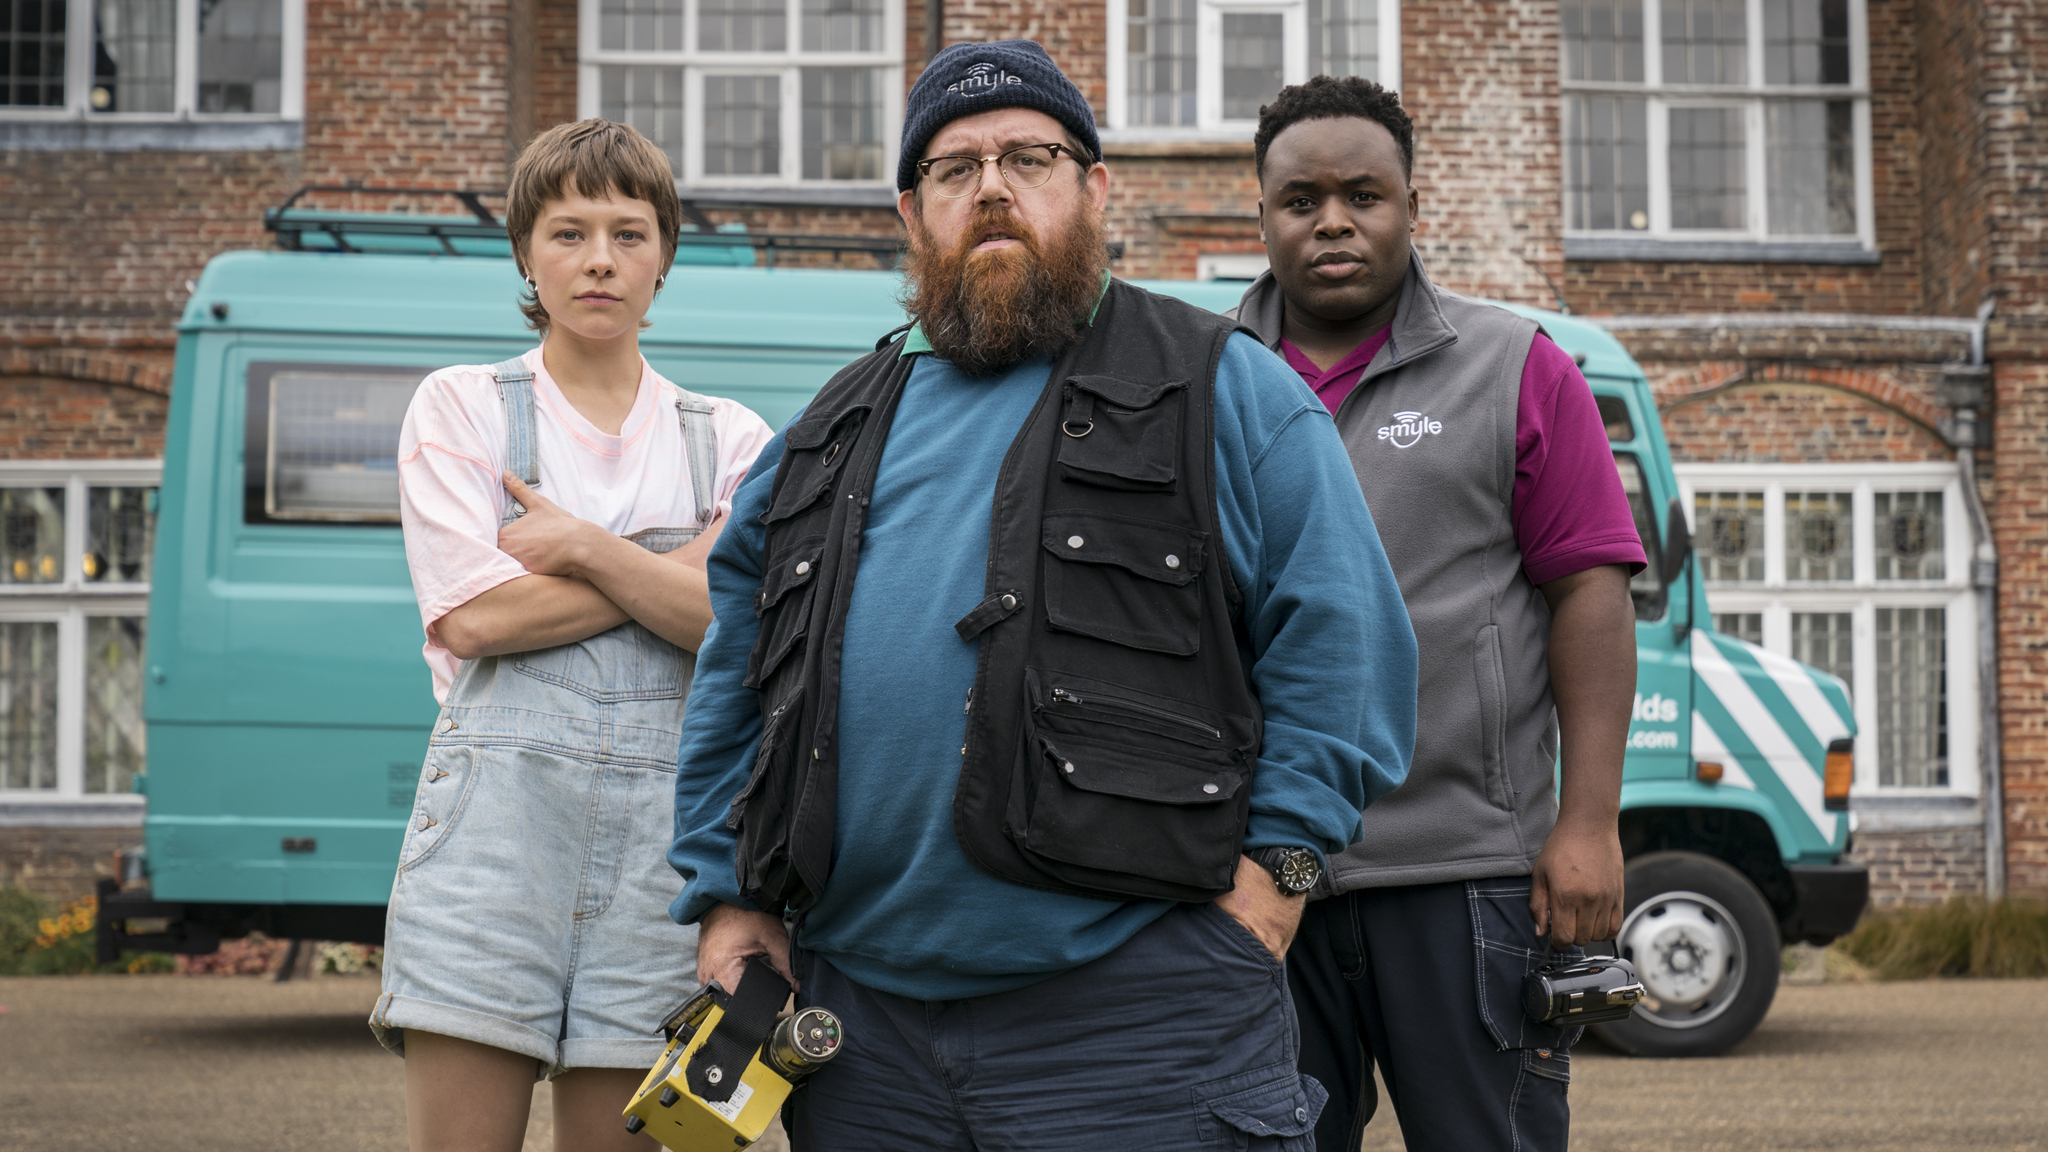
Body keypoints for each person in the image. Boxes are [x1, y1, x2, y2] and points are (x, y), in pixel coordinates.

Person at [668, 40, 1418, 1152]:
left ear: (1094, 187)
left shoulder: (1223, 385)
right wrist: (727, 893)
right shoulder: (826, 430)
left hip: (1138, 1018)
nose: (992, 190)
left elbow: (1345, 649)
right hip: (861, 1034)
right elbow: (735, 673)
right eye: (953, 169)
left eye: (1029, 157)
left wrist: (1274, 885)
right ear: (910, 213)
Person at [1228, 76, 1647, 1151]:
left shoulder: (1517, 367)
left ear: (1414, 203)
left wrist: (1588, 825)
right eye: (1299, 199)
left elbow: (1590, 591)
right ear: (1260, 211)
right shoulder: (1198, 380)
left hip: (1463, 877)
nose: (1331, 221)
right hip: (1251, 874)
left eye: (1362, 195)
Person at [373, 118, 773, 1152]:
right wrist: (676, 562)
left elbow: (741, 630)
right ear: (524, 252)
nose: (600, 259)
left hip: (666, 863)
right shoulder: (460, 407)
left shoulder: (732, 436)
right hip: (490, 853)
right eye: (568, 232)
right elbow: (475, 618)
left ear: (665, 257)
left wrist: (582, 551)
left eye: (630, 234)